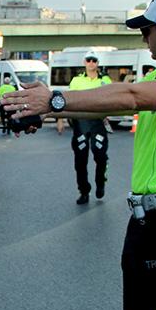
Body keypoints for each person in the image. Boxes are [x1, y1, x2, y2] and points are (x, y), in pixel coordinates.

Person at [1, 0, 156, 310]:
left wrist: (55, 99)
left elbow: (129, 96)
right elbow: (112, 100)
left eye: (146, 31)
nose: (143, 39)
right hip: (147, 224)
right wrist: (43, 112)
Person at [57, 52, 113, 204]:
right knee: (80, 160)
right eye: (89, 60)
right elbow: (66, 100)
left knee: (99, 155)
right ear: (84, 62)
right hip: (80, 123)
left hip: (98, 122)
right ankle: (84, 191)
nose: (91, 63)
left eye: (94, 60)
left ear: (98, 63)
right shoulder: (76, 80)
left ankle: (100, 182)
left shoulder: (105, 80)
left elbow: (113, 99)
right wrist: (60, 119)